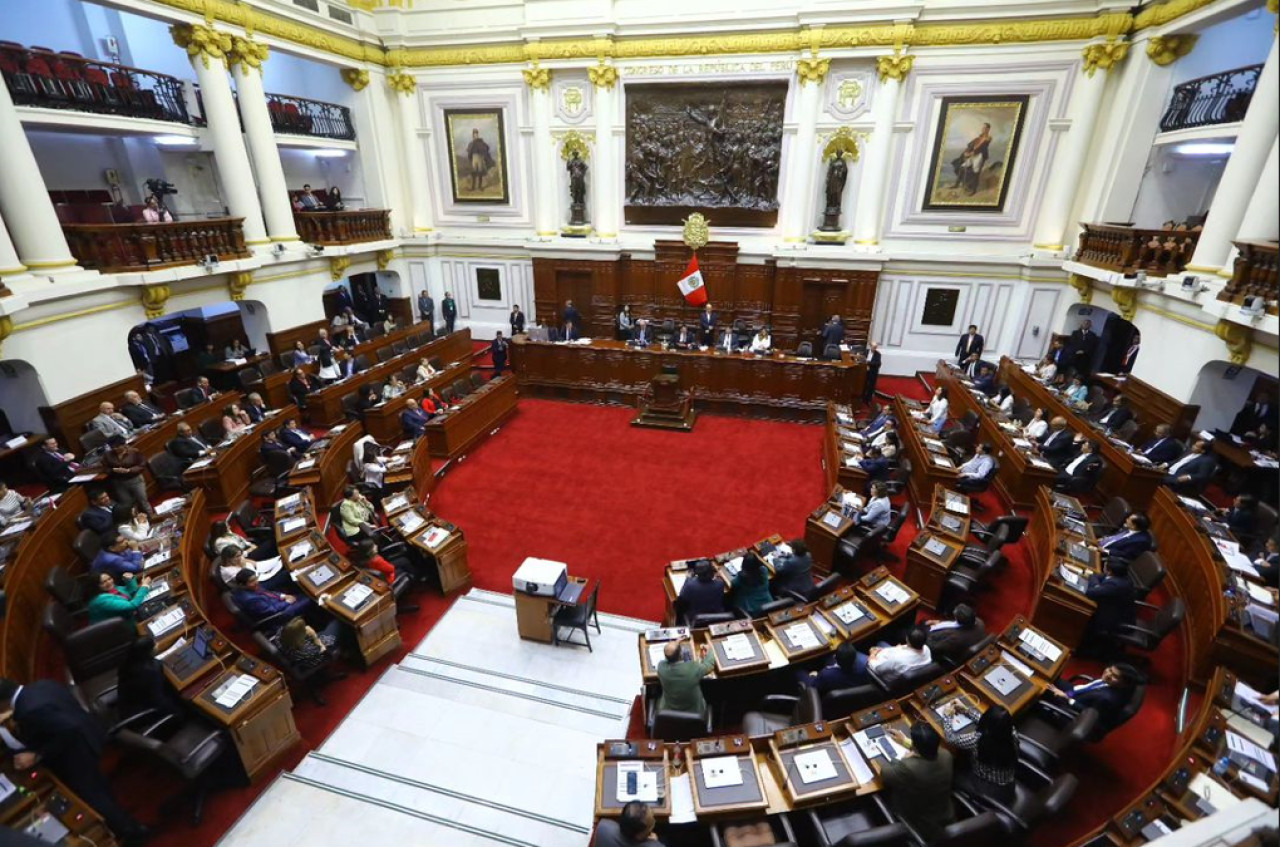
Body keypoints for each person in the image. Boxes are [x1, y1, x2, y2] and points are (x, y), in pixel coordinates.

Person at [0, 678, 149, 842]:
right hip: (89, 735)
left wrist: (36, 755)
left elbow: (69, 730)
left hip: (76, 753)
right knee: (99, 788)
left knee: (93, 797)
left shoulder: (28, 710)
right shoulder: (41, 685)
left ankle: (133, 833)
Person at [880, 722, 955, 844]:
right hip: (946, 814)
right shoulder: (946, 754)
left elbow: (885, 773)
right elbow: (928, 750)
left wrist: (905, 759)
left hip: (920, 822)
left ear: (916, 747)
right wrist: (905, 741)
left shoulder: (908, 767)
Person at [941, 702, 1017, 804]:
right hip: (1009, 785)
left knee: (954, 774)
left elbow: (951, 738)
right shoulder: (1012, 732)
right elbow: (994, 723)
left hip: (990, 791)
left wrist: (947, 716)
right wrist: (967, 711)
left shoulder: (979, 740)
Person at [1047, 663, 1141, 733]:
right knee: (1051, 677)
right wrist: (1068, 693)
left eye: (1114, 676)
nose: (1108, 674)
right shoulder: (1110, 683)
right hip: (1079, 695)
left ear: (1123, 684)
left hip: (1071, 710)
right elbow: (1085, 689)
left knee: (1043, 690)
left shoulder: (1106, 699)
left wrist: (1066, 697)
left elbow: (1088, 714)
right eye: (1110, 670)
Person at [231, 568, 315, 630]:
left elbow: (266, 592)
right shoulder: (251, 600)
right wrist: (287, 602)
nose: (257, 582)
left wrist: (283, 596)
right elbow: (272, 610)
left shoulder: (249, 588)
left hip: (275, 602)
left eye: (256, 578)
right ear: (242, 585)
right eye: (252, 581)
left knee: (300, 594)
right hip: (279, 615)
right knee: (309, 598)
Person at [655, 639, 715, 717]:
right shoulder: (693, 668)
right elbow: (709, 665)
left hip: (668, 712)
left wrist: (674, 646)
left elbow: (668, 658)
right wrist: (709, 650)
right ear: (680, 655)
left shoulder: (661, 667)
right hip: (695, 712)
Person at [1084, 559, 1138, 644]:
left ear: (1110, 571)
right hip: (1119, 612)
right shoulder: (1123, 577)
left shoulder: (1115, 585)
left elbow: (1090, 592)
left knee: (1084, 611)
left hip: (1117, 621)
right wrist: (1096, 584)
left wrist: (1095, 583)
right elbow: (1098, 576)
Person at [100, 436, 152, 516]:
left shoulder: (134, 452)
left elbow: (142, 465)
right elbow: (104, 468)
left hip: (135, 480)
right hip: (119, 483)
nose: (115, 449)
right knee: (127, 505)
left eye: (117, 446)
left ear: (124, 445)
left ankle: (151, 518)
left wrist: (129, 470)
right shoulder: (107, 455)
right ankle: (135, 521)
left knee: (143, 502)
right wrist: (113, 470)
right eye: (112, 447)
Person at [867, 626, 932, 683]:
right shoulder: (926, 648)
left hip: (885, 673)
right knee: (880, 643)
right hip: (893, 660)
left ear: (907, 639)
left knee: (861, 657)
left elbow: (878, 669)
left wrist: (872, 655)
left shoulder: (898, 660)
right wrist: (899, 648)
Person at [87, 570, 152, 624]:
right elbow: (131, 605)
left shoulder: (114, 588)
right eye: (103, 582)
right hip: (122, 628)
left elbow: (132, 593)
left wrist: (129, 580)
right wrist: (145, 586)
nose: (109, 582)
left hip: (133, 617)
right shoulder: (101, 600)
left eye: (109, 579)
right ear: (96, 586)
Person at [594, 801, 668, 847]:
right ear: (639, 836)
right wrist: (654, 841)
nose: (654, 820)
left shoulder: (604, 827)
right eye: (651, 822)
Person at [803, 642, 870, 692]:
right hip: (853, 692)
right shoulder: (865, 667)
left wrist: (814, 676)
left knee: (798, 670)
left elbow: (812, 688)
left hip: (824, 695)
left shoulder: (826, 674)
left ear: (836, 658)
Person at [218, 547, 290, 591]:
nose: (240, 558)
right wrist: (243, 566)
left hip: (258, 572)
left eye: (240, 555)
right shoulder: (229, 572)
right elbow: (250, 579)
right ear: (229, 558)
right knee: (286, 572)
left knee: (281, 559)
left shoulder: (235, 560)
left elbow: (253, 563)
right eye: (238, 556)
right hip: (256, 586)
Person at [730, 552, 773, 616]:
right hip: (768, 604)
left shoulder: (741, 577)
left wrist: (739, 573)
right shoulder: (764, 570)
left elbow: (733, 584)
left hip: (751, 609)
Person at [210, 519, 275, 561]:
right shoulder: (220, 543)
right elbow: (234, 557)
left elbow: (241, 540)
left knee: (269, 537)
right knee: (270, 543)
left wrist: (251, 545)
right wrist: (251, 549)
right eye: (227, 526)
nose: (229, 527)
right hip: (244, 558)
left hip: (248, 548)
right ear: (222, 530)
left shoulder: (228, 533)